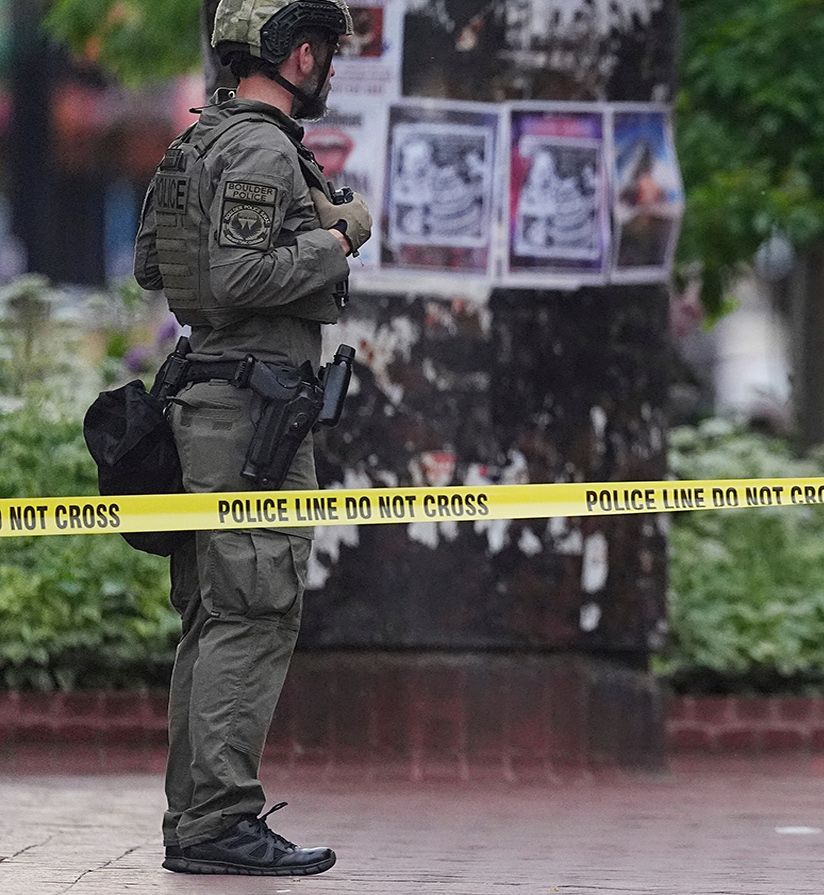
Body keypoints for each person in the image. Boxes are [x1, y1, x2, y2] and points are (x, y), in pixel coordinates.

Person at [132, 0, 372, 876]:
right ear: (299, 53)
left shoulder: (198, 141)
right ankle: (220, 819)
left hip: (210, 401)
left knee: (214, 614)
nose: (328, 68)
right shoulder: (265, 148)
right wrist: (336, 238)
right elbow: (239, 275)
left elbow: (153, 265)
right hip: (252, 415)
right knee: (253, 609)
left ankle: (196, 818)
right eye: (325, 53)